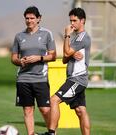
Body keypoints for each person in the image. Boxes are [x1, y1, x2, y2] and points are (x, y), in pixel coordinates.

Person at [41, 8, 91, 135]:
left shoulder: (82, 38)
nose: (72, 23)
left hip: (77, 79)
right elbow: (64, 59)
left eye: (74, 20)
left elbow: (66, 52)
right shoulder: (75, 38)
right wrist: (71, 54)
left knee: (54, 100)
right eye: (70, 20)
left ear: (83, 21)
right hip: (74, 79)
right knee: (80, 110)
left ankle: (51, 133)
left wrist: (67, 35)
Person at [11, 6, 56, 135]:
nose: (29, 20)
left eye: (32, 18)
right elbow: (13, 58)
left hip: (40, 78)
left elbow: (53, 56)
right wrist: (20, 61)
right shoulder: (19, 36)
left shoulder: (47, 34)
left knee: (45, 110)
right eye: (27, 18)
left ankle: (52, 133)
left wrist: (39, 58)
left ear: (39, 19)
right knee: (28, 110)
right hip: (23, 79)